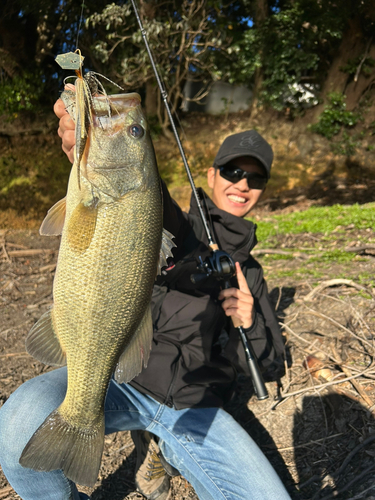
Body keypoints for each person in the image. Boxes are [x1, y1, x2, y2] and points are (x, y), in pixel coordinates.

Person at [0, 95, 291, 500]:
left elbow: (269, 362)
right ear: (211, 174)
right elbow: (157, 213)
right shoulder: (169, 220)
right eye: (233, 170)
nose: (242, 183)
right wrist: (90, 144)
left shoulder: (251, 274)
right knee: (18, 422)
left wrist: (250, 322)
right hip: (122, 379)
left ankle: (165, 450)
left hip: (195, 407)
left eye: (254, 178)